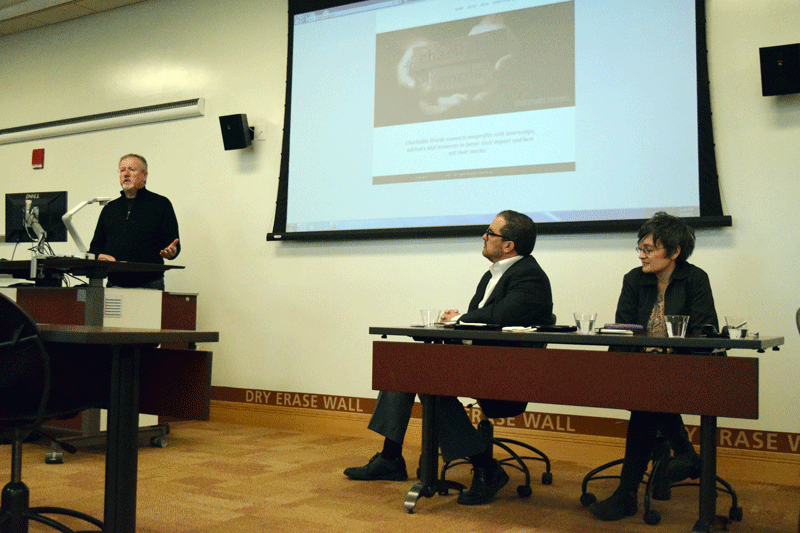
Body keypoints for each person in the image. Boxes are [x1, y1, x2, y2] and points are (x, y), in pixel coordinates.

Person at [344, 210, 553, 505]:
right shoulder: (491, 276)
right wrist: (459, 323)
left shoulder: (529, 276)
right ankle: (391, 458)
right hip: (478, 362)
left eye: (490, 233)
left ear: (508, 245)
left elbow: (499, 316)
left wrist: (461, 319)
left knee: (428, 382)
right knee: (405, 363)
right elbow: (481, 323)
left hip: (507, 373)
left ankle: (485, 466)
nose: (484, 236)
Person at [589, 212, 718, 521]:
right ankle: (684, 452)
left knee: (647, 402)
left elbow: (705, 329)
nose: (641, 255)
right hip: (642, 370)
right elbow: (624, 328)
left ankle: (627, 493)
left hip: (685, 369)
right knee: (648, 392)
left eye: (648, 249)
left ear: (674, 252)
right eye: (641, 248)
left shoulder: (695, 278)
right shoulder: (634, 278)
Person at [89, 154, 180, 290]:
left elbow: (173, 244)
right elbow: (95, 247)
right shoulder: (109, 209)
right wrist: (98, 256)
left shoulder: (160, 204)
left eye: (131, 169)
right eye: (122, 170)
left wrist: (172, 252)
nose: (126, 174)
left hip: (150, 284)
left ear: (144, 175)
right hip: (115, 284)